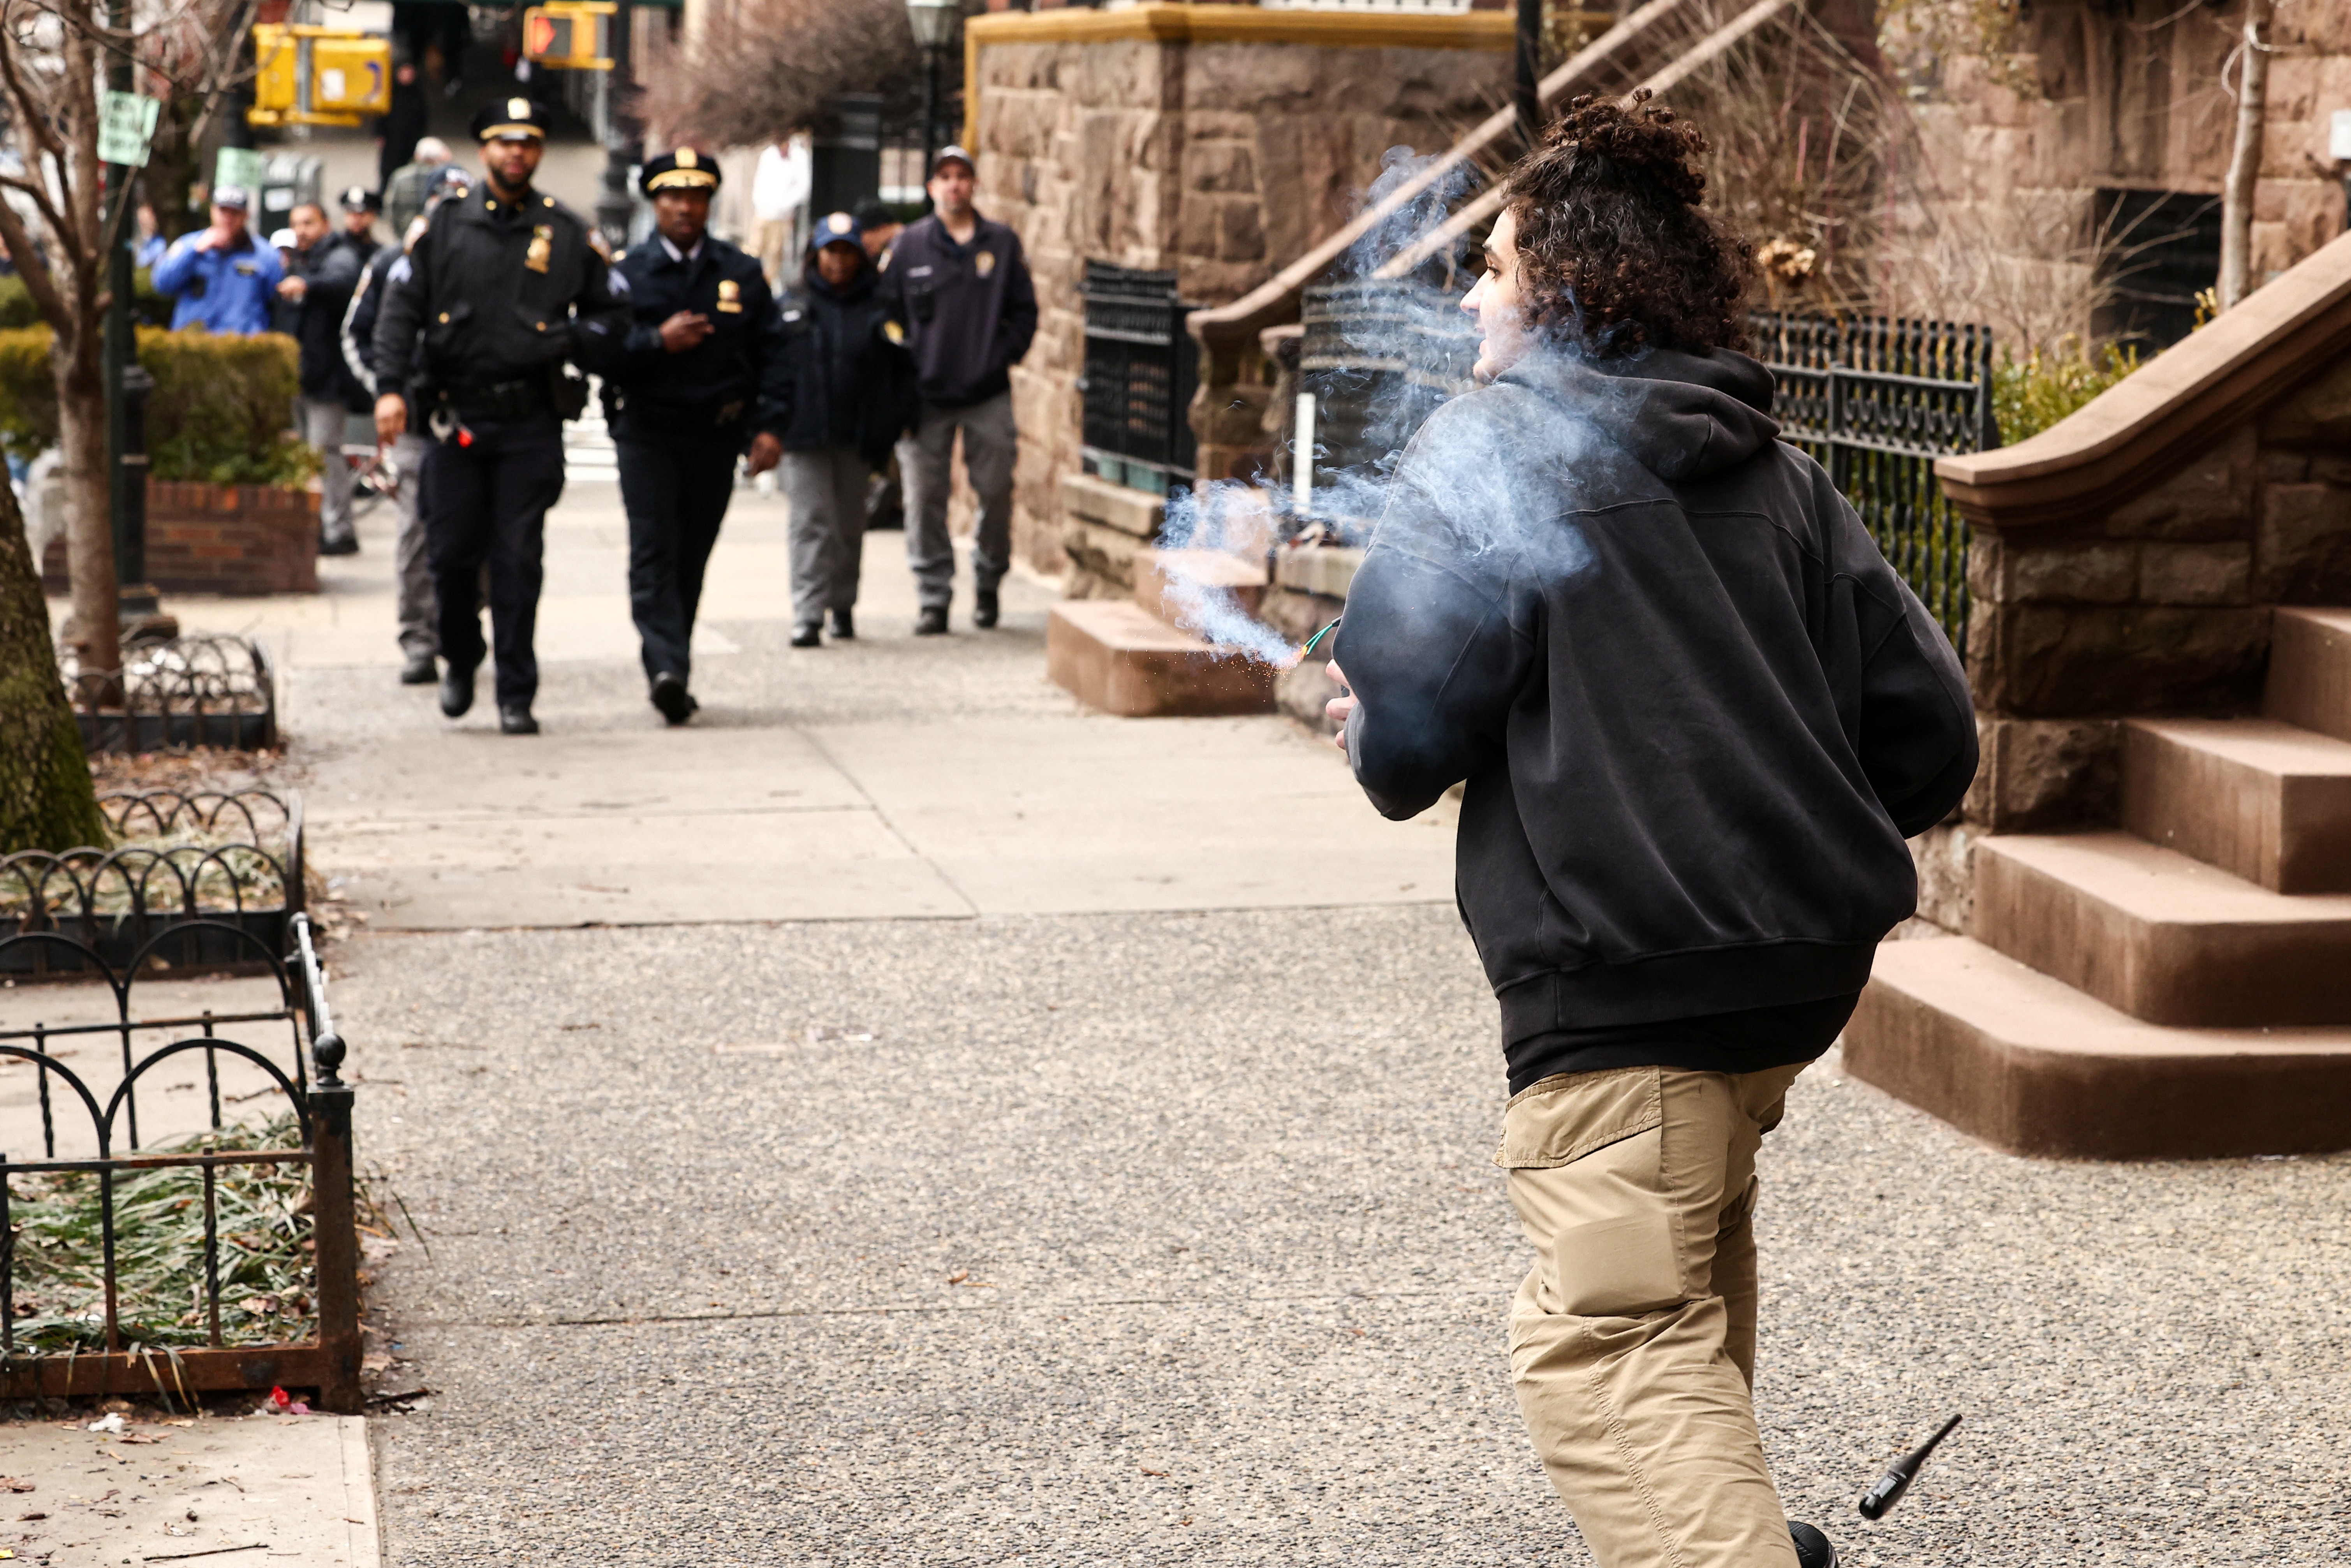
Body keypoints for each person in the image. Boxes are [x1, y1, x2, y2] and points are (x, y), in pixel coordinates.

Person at [1325, 93, 1978, 1568]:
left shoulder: (1493, 452)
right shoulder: (1776, 474)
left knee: (1608, 1344)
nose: (1472, 299)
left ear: (1554, 294)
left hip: (1622, 982)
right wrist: (1772, 822)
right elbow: (1928, 738)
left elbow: (1407, 734)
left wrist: (1364, 723)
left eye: (1489, 269)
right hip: (1782, 983)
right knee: (1683, 1265)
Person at [371, 97, 627, 736]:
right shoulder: (444, 226)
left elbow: (614, 316)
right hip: (453, 420)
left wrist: (564, 339)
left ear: (539, 152)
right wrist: (389, 388)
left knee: (518, 559)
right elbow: (399, 309)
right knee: (451, 556)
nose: (517, 153)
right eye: (504, 142)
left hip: (529, 422)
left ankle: (517, 691)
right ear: (483, 149)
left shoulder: (566, 232)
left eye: (529, 142)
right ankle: (460, 656)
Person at [600, 149, 788, 723]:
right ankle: (667, 667)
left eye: (696, 197)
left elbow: (774, 353)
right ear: (654, 203)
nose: (685, 208)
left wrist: (770, 426)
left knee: (692, 552)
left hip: (715, 433)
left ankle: (673, 661)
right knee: (654, 547)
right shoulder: (627, 274)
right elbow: (602, 352)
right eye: (672, 198)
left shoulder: (741, 272)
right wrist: (657, 341)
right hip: (649, 432)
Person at [879, 144, 1035, 635]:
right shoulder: (909, 246)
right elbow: (887, 316)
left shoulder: (1002, 243)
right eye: (944, 176)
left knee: (996, 490)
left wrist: (1000, 354)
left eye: (961, 176)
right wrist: (906, 366)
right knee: (925, 499)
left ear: (974, 185)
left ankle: (988, 582)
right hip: (925, 398)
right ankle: (933, 596)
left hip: (987, 393)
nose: (953, 184)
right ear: (931, 187)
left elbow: (1025, 312)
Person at [345, 164, 472, 686]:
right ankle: (418, 637)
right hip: (420, 423)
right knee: (418, 529)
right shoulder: (393, 262)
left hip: (478, 416)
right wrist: (388, 391)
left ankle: (460, 628)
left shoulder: (484, 261)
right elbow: (359, 333)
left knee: (476, 532)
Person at [773, 210, 915, 647]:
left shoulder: (878, 306)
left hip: (857, 434)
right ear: (816, 255)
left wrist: (889, 424)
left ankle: (843, 604)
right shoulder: (793, 305)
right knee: (811, 522)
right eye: (831, 252)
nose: (838, 262)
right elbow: (773, 366)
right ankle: (808, 612)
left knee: (849, 524)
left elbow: (899, 370)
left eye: (847, 253)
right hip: (804, 433)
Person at [278, 201, 370, 555]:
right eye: (295, 224)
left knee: (325, 454)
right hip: (301, 378)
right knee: (306, 455)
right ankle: (315, 527)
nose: (301, 230)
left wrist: (307, 284)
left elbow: (342, 282)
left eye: (308, 223)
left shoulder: (338, 256)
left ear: (325, 225)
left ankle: (339, 530)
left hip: (327, 380)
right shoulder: (297, 259)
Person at [151, 188, 282, 334]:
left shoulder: (266, 256)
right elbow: (162, 284)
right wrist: (194, 252)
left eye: (235, 213)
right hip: (194, 345)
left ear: (246, 216)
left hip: (242, 347)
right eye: (223, 211)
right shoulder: (189, 244)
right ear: (212, 211)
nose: (228, 218)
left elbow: (278, 304)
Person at [375, 58, 430, 188]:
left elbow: (423, 117)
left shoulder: (417, 95)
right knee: (389, 170)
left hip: (411, 140)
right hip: (392, 139)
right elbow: (380, 115)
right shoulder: (390, 93)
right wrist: (379, 134)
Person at [383, 137, 453, 239]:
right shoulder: (445, 178)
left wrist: (399, 234)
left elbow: (389, 208)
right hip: (436, 238)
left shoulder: (400, 177)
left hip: (405, 236)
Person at [336, 185, 385, 264]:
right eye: (351, 213)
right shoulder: (332, 248)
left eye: (362, 214)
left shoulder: (380, 254)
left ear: (373, 216)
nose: (356, 219)